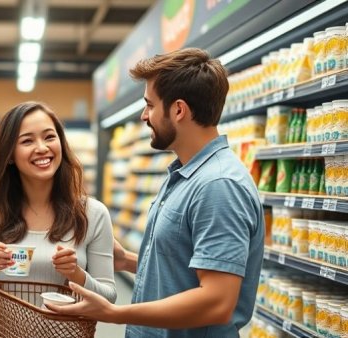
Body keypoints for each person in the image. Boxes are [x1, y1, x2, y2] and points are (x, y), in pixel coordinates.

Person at [48, 48, 265, 337]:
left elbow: (217, 302)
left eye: (150, 105)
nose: (143, 116)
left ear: (178, 110)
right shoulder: (185, 174)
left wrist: (114, 313)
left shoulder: (218, 186)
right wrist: (126, 260)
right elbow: (186, 272)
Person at [0, 101, 117, 338]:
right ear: (9, 154)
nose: (42, 148)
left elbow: (108, 300)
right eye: (27, 141)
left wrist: (77, 275)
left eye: (49, 137)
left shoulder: (92, 214)